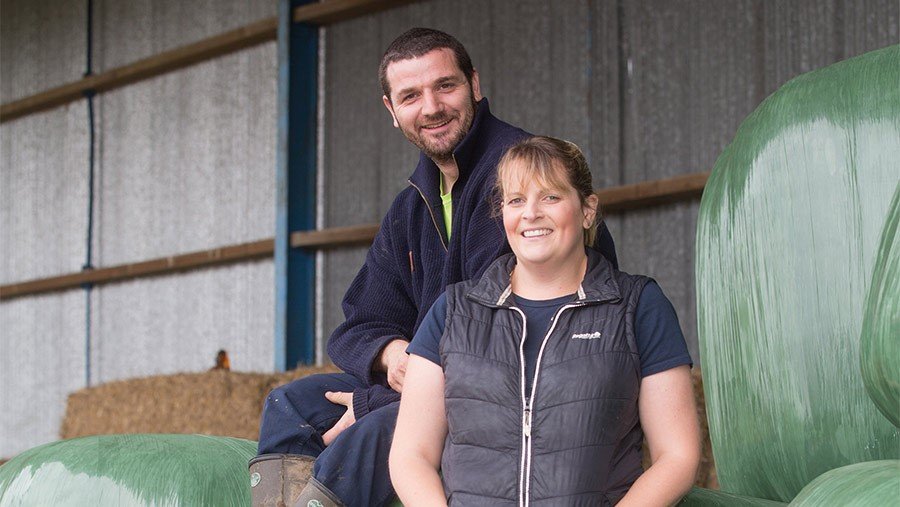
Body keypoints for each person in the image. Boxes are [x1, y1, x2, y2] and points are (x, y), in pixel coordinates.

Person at [250, 30, 618, 507]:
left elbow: (497, 340)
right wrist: (392, 356)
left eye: (445, 86)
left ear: (474, 84)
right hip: (435, 384)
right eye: (410, 96)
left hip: (524, 392)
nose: (431, 107)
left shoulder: (519, 183)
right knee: (290, 406)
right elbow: (359, 323)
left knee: (376, 433)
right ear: (391, 110)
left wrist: (374, 401)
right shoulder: (411, 205)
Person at [391, 136, 700, 506]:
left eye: (551, 197)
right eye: (516, 200)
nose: (531, 213)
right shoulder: (453, 312)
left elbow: (677, 455)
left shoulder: (637, 306)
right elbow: (411, 455)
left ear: (587, 210)